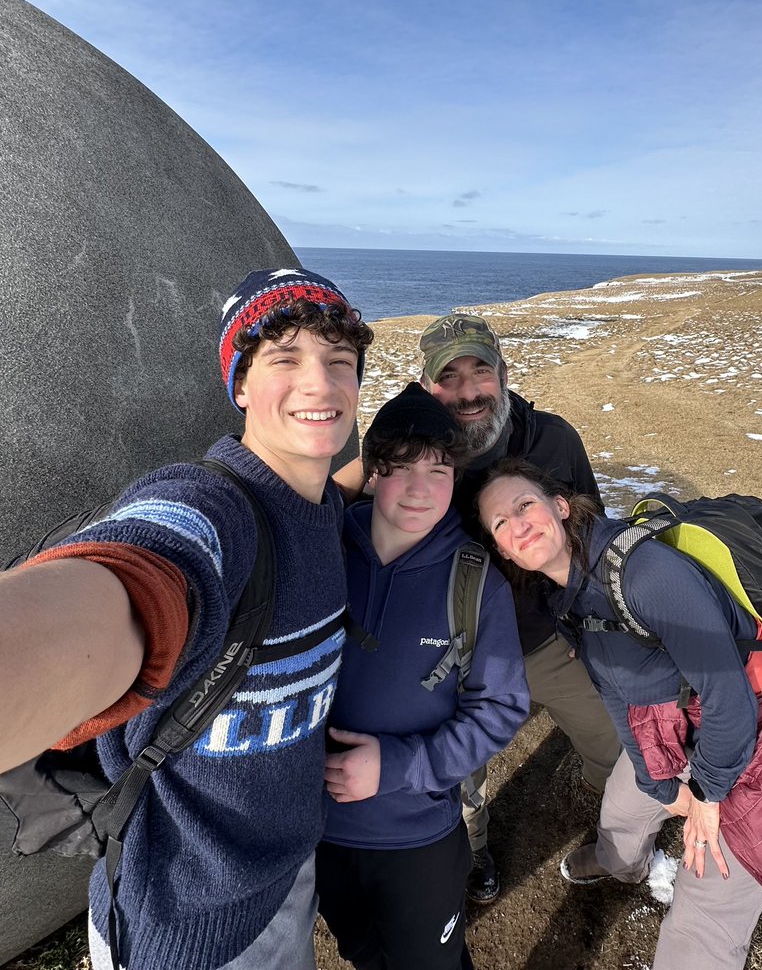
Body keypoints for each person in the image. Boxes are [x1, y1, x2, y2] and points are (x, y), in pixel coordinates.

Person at [0, 268, 374, 970]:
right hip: (185, 931)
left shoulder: (325, 512)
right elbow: (142, 571)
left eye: (340, 361)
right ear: (239, 385)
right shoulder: (211, 508)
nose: (320, 383)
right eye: (284, 358)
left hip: (286, 882)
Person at [476, 459, 762, 970]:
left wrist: (707, 797)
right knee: (624, 810)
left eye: (524, 504)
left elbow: (729, 698)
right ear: (502, 548)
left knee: (703, 911)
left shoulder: (646, 574)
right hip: (682, 720)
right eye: (500, 523)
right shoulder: (568, 595)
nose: (517, 524)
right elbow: (614, 691)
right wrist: (661, 784)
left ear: (560, 507)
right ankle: (619, 863)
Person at [336, 312, 621, 904]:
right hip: (453, 648)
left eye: (480, 371)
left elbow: (589, 533)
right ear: (427, 386)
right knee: (459, 767)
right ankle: (472, 852)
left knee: (612, 742)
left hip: (548, 639)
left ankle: (625, 835)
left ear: (504, 374)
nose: (467, 391)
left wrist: (592, 625)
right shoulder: (423, 444)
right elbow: (336, 494)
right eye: (449, 378)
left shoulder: (554, 440)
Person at [317, 383, 529, 970]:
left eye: (439, 471)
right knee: (360, 950)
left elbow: (501, 708)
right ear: (373, 470)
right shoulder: (323, 547)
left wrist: (398, 766)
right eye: (401, 468)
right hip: (316, 829)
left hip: (417, 836)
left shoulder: (473, 579)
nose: (420, 490)